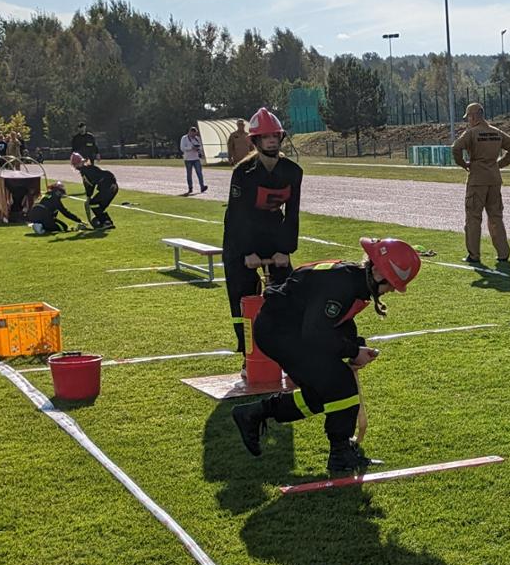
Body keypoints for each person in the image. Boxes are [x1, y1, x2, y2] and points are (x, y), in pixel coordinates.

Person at [230, 238, 423, 478]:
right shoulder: (343, 285)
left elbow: (338, 320)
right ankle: (340, 454)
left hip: (288, 328)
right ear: (376, 271)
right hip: (280, 332)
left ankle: (254, 413)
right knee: (340, 384)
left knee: (324, 391)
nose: (392, 290)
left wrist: (356, 345)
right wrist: (352, 351)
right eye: (392, 284)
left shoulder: (353, 280)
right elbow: (316, 333)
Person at [223, 107, 303, 358]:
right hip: (241, 235)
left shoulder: (293, 172)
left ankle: (284, 342)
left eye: (274, 136)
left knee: (287, 288)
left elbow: (292, 213)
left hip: (273, 231)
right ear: (256, 141)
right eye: (265, 137)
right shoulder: (243, 173)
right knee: (242, 293)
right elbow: (237, 216)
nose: (270, 140)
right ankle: (246, 348)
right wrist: (246, 253)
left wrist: (285, 250)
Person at [451, 102, 510, 264]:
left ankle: (474, 255)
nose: (468, 119)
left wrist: (463, 164)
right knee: (496, 217)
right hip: (494, 179)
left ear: (473, 116)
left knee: (473, 218)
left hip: (477, 180)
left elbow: (455, 148)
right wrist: (499, 164)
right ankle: (503, 253)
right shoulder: (497, 132)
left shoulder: (472, 133)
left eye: (468, 116)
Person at [71, 154, 118, 229]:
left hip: (108, 187)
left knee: (93, 204)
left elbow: (89, 185)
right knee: (98, 206)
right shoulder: (89, 168)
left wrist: (88, 197)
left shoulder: (85, 171)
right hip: (113, 186)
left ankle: (106, 222)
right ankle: (102, 220)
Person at [70, 122, 99, 196]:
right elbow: (73, 150)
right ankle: (87, 187)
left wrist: (97, 154)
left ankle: (91, 186)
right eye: (80, 127)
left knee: (91, 173)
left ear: (85, 127)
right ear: (78, 129)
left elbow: (94, 146)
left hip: (90, 158)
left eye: (82, 127)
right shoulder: (76, 138)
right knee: (84, 174)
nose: (81, 129)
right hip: (81, 160)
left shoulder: (90, 136)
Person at [179, 126, 207, 195]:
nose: (194, 135)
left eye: (195, 134)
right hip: (188, 159)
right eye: (193, 134)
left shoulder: (197, 138)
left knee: (199, 173)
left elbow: (201, 147)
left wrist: (198, 149)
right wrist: (191, 148)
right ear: (189, 132)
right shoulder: (184, 138)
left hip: (196, 158)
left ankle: (202, 186)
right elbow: (182, 148)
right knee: (189, 174)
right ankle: (190, 187)